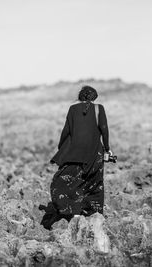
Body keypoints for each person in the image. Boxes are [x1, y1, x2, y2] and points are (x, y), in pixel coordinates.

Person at [40, 85, 112, 230]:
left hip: (75, 153)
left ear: (80, 97)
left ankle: (75, 213)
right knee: (93, 184)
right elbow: (104, 129)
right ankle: (93, 217)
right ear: (94, 97)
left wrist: (62, 148)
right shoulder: (99, 108)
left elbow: (66, 131)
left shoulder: (73, 109)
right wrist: (108, 149)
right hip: (94, 153)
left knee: (66, 182)